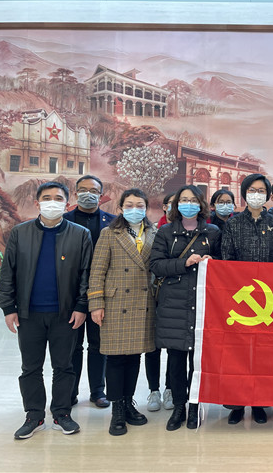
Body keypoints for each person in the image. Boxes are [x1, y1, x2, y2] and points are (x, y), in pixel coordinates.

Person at [0, 181, 92, 439]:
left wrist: (81, 305)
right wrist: (8, 307)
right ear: (37, 203)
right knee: (30, 367)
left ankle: (62, 413)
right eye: (47, 198)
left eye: (58, 198)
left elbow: (86, 273)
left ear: (67, 203)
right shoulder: (20, 232)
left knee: (64, 366)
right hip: (28, 314)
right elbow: (8, 273)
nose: (53, 202)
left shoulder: (80, 234)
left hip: (65, 314)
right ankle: (34, 415)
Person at [150, 184, 222, 431]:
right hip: (174, 303)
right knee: (176, 359)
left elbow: (225, 263)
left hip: (202, 302)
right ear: (176, 205)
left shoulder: (212, 232)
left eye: (193, 200)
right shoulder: (165, 232)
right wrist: (184, 263)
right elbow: (156, 265)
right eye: (183, 200)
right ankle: (178, 406)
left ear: (201, 204)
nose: (188, 204)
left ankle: (194, 405)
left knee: (198, 360)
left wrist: (213, 262)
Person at [88, 188, 156, 436]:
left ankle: (128, 403)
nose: (134, 209)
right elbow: (97, 271)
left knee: (134, 356)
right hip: (116, 303)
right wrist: (96, 303)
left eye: (139, 205)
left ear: (146, 208)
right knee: (116, 357)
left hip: (143, 302)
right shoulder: (109, 233)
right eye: (129, 205)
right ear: (120, 208)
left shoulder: (154, 233)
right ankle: (116, 409)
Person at [220, 173, 273, 425]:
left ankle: (259, 402)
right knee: (237, 354)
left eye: (261, 191)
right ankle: (236, 404)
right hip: (240, 300)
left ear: (267, 195)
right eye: (252, 190)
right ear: (244, 193)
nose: (256, 194)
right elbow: (226, 260)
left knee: (263, 354)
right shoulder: (233, 224)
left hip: (268, 300)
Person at [64, 174, 115, 408]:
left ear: (101, 195)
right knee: (72, 346)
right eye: (83, 190)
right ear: (75, 193)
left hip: (100, 294)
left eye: (94, 191)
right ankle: (71, 392)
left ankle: (98, 391)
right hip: (70, 293)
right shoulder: (64, 221)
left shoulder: (113, 223)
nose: (88, 194)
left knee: (98, 345)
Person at [146, 192, 177, 412]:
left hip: (177, 296)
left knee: (174, 347)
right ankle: (153, 390)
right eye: (173, 203)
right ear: (165, 207)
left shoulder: (191, 232)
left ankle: (170, 389)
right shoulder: (153, 231)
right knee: (153, 346)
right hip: (153, 295)